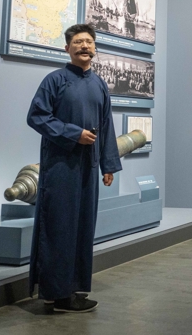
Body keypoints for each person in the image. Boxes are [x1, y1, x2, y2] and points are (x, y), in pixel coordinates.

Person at [26, 23, 122, 313]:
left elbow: (106, 125)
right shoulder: (54, 80)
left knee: (82, 229)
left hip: (88, 168)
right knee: (59, 227)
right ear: (67, 48)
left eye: (89, 42)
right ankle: (55, 294)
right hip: (60, 167)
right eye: (78, 42)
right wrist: (73, 133)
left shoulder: (99, 84)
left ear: (95, 48)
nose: (84, 46)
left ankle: (73, 289)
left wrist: (107, 164)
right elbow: (36, 116)